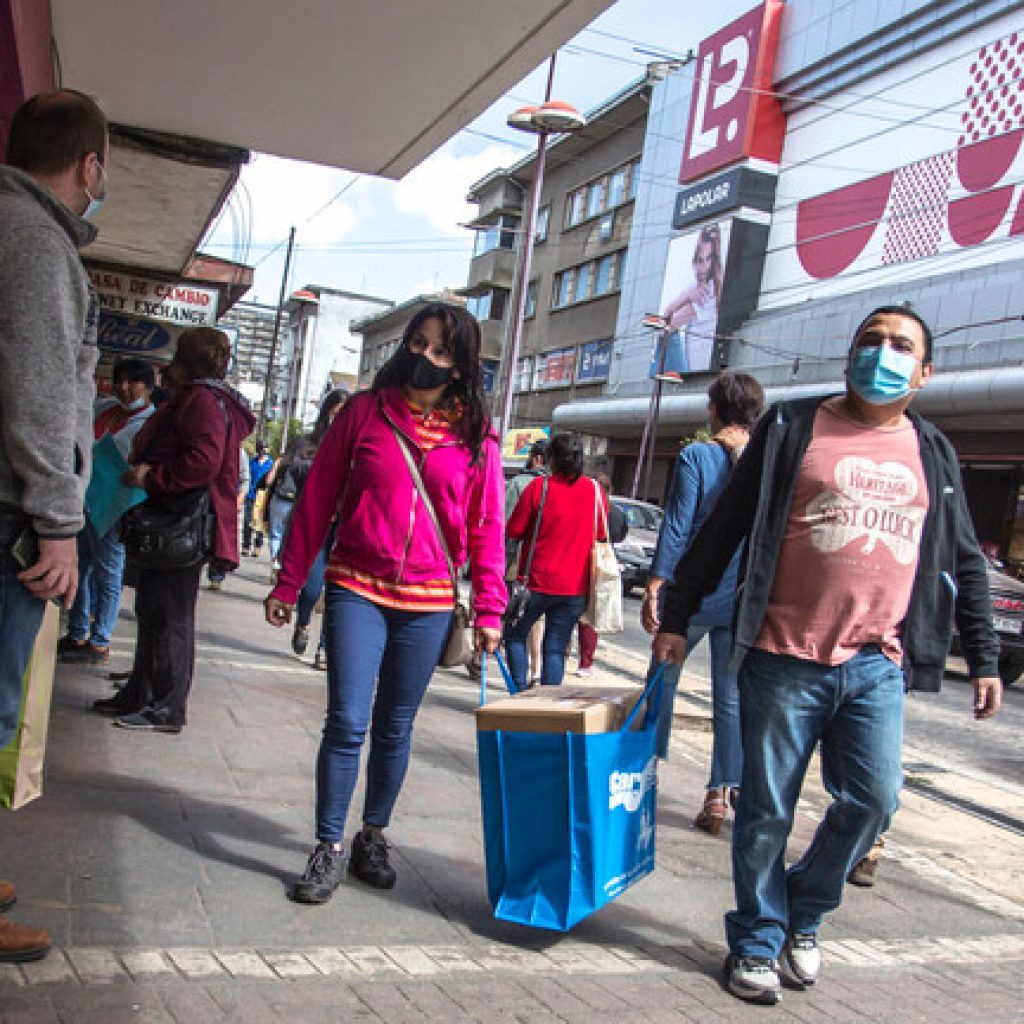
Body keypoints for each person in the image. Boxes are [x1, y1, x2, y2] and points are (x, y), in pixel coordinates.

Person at [652, 306, 1002, 1005]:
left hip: (876, 662)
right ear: (849, 354)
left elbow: (962, 556)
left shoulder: (931, 449)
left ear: (925, 372)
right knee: (765, 810)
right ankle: (755, 937)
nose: (883, 353)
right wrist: (680, 615)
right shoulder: (792, 426)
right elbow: (724, 527)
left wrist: (984, 654)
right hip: (783, 653)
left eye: (901, 346)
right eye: (870, 340)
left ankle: (802, 912)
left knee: (874, 801)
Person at [264, 303, 505, 904]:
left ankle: (373, 834)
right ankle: (328, 846)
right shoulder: (365, 414)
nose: (425, 358)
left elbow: (487, 527)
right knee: (347, 722)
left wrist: (493, 610)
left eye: (441, 351)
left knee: (395, 728)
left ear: (461, 366)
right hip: (356, 587)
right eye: (419, 344)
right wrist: (289, 581)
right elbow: (317, 497)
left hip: (428, 602)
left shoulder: (476, 437)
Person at [0, 88, 110, 963]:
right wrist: (59, 519)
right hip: (11, 510)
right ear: (89, 167)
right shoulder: (36, 243)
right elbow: (39, 395)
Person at [93, 328, 254, 732]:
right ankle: (141, 692)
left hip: (181, 522)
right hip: (173, 521)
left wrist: (153, 476)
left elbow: (204, 461)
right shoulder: (205, 398)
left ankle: (165, 706)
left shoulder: (202, 400)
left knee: (169, 616)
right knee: (154, 611)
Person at [642, 372, 764, 833]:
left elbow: (677, 526)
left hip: (692, 596)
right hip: (740, 597)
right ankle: (718, 796)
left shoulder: (698, 455)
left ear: (714, 410)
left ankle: (645, 772)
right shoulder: (763, 461)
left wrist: (657, 583)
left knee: (662, 682)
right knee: (730, 698)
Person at [59, 359, 156, 664]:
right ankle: (77, 632)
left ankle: (100, 640)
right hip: (85, 501)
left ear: (148, 386)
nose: (125, 388)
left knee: (109, 574)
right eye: (121, 381)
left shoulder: (151, 424)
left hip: (117, 509)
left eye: (133, 382)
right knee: (80, 567)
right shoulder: (104, 409)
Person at [504, 432, 608, 690]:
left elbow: (514, 530)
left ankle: (518, 693)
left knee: (515, 635)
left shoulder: (539, 488)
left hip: (535, 582)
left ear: (551, 460)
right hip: (575, 588)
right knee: (555, 647)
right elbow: (602, 533)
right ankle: (546, 705)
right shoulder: (595, 492)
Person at [285, 389, 350, 669]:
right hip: (316, 527)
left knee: (338, 594)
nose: (339, 417)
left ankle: (325, 649)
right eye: (336, 410)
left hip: (345, 530)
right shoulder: (308, 444)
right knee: (312, 588)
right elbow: (294, 470)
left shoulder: (356, 445)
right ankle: (303, 622)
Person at [504, 438, 549, 684]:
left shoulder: (521, 484)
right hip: (544, 567)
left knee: (511, 612)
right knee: (537, 621)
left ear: (537, 458)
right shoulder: (557, 486)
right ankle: (537, 670)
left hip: (518, 560)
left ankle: (481, 657)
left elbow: (506, 524)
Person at [576, 472, 627, 677]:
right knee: (592, 615)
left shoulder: (585, 505)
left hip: (581, 560)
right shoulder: (615, 512)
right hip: (602, 563)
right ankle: (586, 662)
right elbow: (621, 534)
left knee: (570, 611)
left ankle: (561, 652)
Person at [658, 223, 723, 376]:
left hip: (700, 370)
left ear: (714, 262)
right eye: (700, 260)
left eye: (708, 260)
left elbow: (668, 325)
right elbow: (665, 318)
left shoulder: (709, 291)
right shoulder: (694, 287)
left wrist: (686, 297)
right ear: (694, 262)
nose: (703, 267)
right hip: (693, 369)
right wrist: (687, 295)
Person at [207, 446, 250, 591]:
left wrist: (239, 499)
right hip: (206, 498)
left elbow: (245, 480)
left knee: (221, 538)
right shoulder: (209, 444)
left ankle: (216, 576)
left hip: (227, 501)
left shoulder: (239, 453)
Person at [241, 441, 273, 557]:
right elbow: (245, 477)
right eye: (260, 448)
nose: (262, 450)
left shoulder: (271, 463)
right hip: (250, 494)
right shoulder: (251, 462)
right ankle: (246, 545)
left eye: (264, 448)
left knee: (259, 523)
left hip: (263, 496)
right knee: (247, 521)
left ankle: (258, 546)